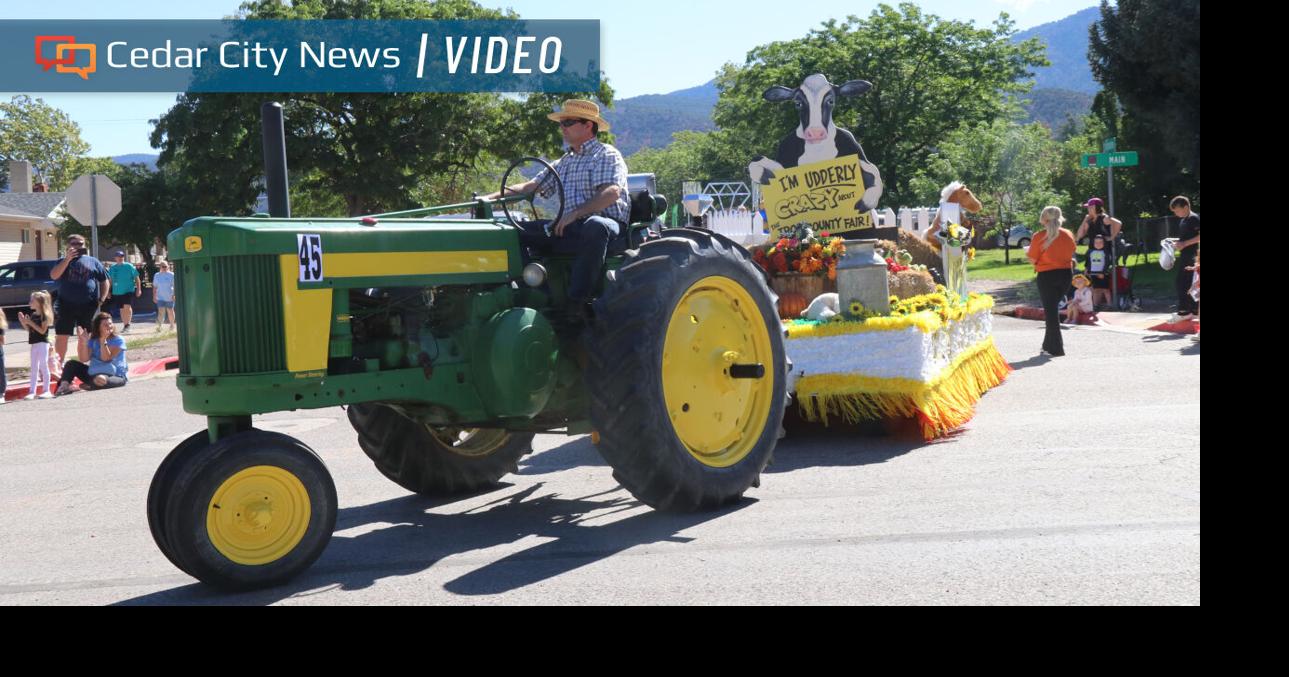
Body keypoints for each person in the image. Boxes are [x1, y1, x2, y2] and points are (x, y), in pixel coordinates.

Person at [484, 99, 630, 319]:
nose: (562, 128)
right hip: (569, 226)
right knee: (513, 232)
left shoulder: (607, 155)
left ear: (588, 125)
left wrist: (575, 214)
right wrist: (488, 199)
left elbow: (611, 193)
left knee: (595, 225)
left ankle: (577, 302)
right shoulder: (564, 161)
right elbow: (530, 187)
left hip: (606, 225)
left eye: (568, 122)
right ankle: (537, 294)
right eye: (561, 123)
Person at [49, 233, 109, 370]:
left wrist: (102, 299)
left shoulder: (93, 261)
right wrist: (67, 259)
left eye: (81, 244)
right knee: (62, 334)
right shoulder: (62, 261)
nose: (78, 246)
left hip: (88, 305)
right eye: (74, 244)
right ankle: (60, 363)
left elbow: (104, 280)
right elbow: (54, 275)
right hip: (66, 304)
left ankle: (83, 362)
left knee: (85, 335)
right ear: (68, 246)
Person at [1027, 206, 1076, 357]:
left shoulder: (1038, 236)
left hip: (1047, 275)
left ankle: (1056, 348)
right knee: (1052, 310)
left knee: (1051, 313)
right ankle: (1047, 345)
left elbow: (1032, 258)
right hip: (1065, 274)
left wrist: (1030, 256)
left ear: (1044, 218)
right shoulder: (1068, 234)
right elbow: (1071, 251)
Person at [55, 312, 128, 395]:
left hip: (115, 375)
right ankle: (64, 386)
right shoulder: (93, 340)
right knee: (70, 364)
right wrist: (83, 342)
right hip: (94, 373)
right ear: (98, 328)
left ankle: (91, 385)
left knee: (100, 378)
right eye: (105, 325)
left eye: (110, 323)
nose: (109, 326)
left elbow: (106, 359)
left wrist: (103, 340)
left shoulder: (118, 340)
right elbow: (84, 359)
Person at [18, 291, 55, 399]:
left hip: (43, 344)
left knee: (43, 365)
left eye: (32, 300)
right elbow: (30, 330)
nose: (30, 302)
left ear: (39, 302)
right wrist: (23, 322)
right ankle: (31, 391)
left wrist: (30, 323)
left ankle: (46, 390)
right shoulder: (34, 315)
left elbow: (42, 331)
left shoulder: (44, 316)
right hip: (34, 343)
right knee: (34, 367)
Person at [1170, 196, 1200, 322]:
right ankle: (1193, 311)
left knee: (1182, 283)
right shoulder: (1183, 220)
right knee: (1187, 283)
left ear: (1186, 207)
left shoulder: (1193, 218)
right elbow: (1185, 238)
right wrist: (1175, 242)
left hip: (1192, 256)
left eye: (1177, 210)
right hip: (1185, 255)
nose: (1176, 214)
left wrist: (1185, 244)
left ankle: (1184, 312)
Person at [106, 250, 141, 333]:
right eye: (118, 256)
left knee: (127, 307)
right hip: (117, 292)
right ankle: (125, 325)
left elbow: (137, 278)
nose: (120, 258)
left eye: (122, 256)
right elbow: (110, 281)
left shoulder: (129, 266)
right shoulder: (112, 268)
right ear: (115, 258)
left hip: (128, 290)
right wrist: (108, 291)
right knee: (121, 309)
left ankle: (128, 324)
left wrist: (139, 289)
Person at [1085, 234, 1113, 308]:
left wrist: (1103, 272)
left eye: (1100, 242)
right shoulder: (1090, 252)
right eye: (1096, 242)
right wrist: (1087, 269)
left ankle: (1109, 304)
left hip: (1103, 273)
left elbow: (1107, 263)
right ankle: (1095, 305)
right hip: (1093, 273)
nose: (1098, 244)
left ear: (1104, 243)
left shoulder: (1106, 252)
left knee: (1105, 289)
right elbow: (1088, 262)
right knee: (1095, 289)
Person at [153, 260, 176, 331]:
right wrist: (154, 296)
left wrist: (174, 295)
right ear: (160, 267)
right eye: (163, 266)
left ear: (168, 266)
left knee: (170, 311)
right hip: (160, 297)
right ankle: (159, 326)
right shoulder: (157, 275)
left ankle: (172, 325)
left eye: (166, 266)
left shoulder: (172, 275)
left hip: (169, 296)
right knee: (161, 312)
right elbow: (155, 286)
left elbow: (175, 286)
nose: (164, 268)